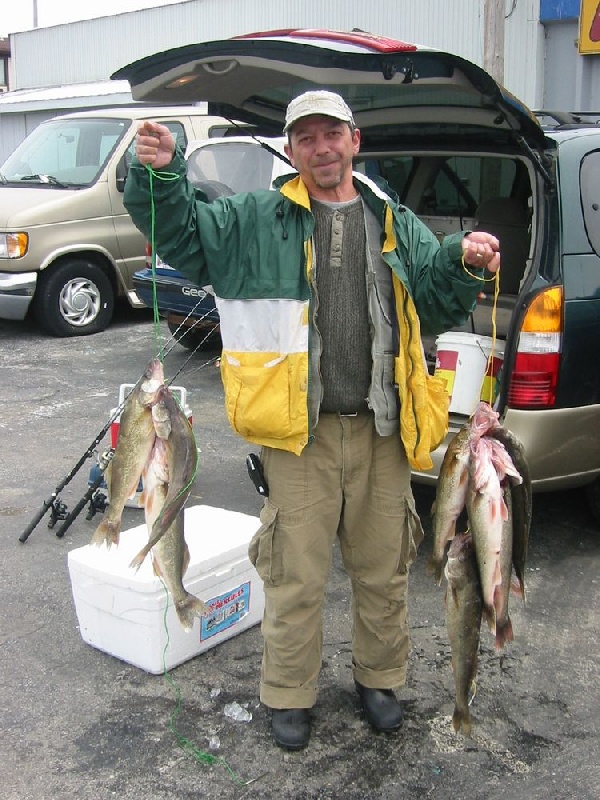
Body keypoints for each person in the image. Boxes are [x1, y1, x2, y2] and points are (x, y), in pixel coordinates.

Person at [124, 90, 500, 751]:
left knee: (383, 569)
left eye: (333, 134)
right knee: (295, 572)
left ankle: (378, 680)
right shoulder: (251, 219)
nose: (321, 147)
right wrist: (159, 171)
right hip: (298, 434)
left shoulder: (392, 218)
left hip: (386, 430)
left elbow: (437, 300)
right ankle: (288, 693)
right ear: (292, 150)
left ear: (355, 141)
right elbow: (180, 229)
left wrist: (463, 262)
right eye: (306, 138)